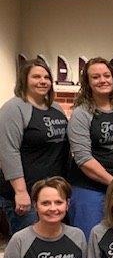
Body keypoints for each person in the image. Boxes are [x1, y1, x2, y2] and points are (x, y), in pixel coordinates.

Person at [0, 59, 69, 236]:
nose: (43, 81)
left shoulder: (55, 108)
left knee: (52, 241)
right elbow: (8, 151)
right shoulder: (13, 108)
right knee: (29, 243)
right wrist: (20, 192)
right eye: (36, 77)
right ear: (24, 80)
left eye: (46, 77)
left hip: (52, 192)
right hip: (27, 194)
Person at [68, 57, 113, 238]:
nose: (102, 80)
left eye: (106, 75)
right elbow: (83, 159)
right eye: (96, 77)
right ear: (87, 83)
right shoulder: (81, 114)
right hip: (89, 188)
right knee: (89, 239)